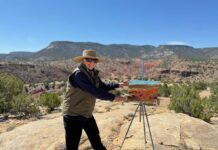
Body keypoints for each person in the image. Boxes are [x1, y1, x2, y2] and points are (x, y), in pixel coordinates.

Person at [62, 49, 125, 150]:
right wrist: (113, 98)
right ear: (83, 60)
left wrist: (118, 85)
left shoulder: (93, 73)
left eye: (94, 61)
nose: (91, 63)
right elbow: (94, 91)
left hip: (87, 114)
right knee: (72, 147)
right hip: (73, 115)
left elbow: (102, 86)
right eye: (88, 60)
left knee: (96, 141)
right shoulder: (78, 75)